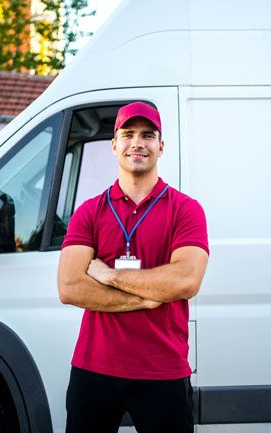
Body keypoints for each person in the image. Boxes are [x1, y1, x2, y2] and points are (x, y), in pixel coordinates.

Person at [57, 101, 209, 433]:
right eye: (127, 134)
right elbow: (70, 288)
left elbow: (185, 280)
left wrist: (110, 275)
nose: (137, 142)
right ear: (114, 145)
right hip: (94, 369)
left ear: (161, 146)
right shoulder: (89, 211)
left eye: (147, 135)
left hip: (162, 371)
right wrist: (146, 297)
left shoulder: (186, 210)